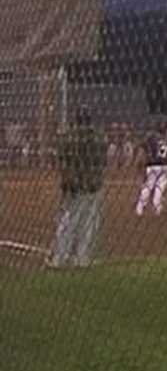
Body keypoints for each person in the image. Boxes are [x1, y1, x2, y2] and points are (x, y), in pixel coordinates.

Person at [48, 107, 108, 268]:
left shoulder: (67, 137)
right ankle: (82, 258)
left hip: (73, 185)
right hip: (93, 185)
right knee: (88, 223)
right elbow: (103, 161)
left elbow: (61, 160)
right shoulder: (99, 138)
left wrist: (67, 180)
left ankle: (59, 259)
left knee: (67, 222)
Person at [135, 122, 167, 216]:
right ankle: (157, 208)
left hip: (153, 165)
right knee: (160, 188)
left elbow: (142, 146)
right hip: (166, 166)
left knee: (148, 186)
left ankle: (140, 208)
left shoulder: (152, 138)